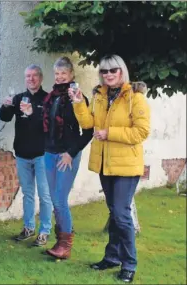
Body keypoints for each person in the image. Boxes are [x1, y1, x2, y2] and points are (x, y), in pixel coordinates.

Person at [69, 55, 150, 283]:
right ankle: (112, 257)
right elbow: (87, 123)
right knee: (115, 212)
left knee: (122, 215)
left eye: (113, 70)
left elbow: (141, 132)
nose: (108, 74)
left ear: (122, 71)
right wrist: (78, 102)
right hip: (107, 164)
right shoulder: (99, 95)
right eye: (104, 71)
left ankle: (129, 264)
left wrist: (109, 133)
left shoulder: (136, 98)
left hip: (127, 165)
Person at [42, 56, 93, 259]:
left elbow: (88, 131)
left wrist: (71, 153)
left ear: (71, 75)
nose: (60, 77)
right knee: (54, 199)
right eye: (57, 73)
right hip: (49, 153)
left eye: (64, 73)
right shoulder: (51, 97)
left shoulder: (78, 97)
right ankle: (59, 239)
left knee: (60, 199)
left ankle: (65, 246)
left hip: (67, 155)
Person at [0, 64, 53, 247]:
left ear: (41, 78)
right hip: (22, 154)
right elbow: (4, 117)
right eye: (28, 76)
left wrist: (32, 113)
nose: (31, 79)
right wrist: (6, 106)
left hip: (42, 155)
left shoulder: (47, 99)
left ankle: (44, 231)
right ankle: (28, 227)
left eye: (35, 75)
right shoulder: (19, 98)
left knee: (45, 195)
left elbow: (48, 125)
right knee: (27, 194)